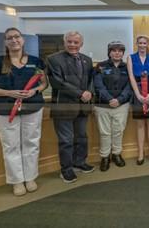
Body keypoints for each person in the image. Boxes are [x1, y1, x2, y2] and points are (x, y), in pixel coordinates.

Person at [0, 27, 48, 196]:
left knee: (31, 143)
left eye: (17, 37)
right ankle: (16, 181)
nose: (14, 40)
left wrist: (35, 91)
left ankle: (30, 177)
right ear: (5, 42)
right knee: (11, 145)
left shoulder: (36, 61)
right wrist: (8, 93)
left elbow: (43, 84)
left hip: (32, 107)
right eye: (9, 38)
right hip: (5, 109)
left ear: (23, 39)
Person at [47, 31, 95, 183]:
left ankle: (79, 162)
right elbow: (57, 82)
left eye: (76, 42)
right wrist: (81, 93)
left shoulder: (87, 60)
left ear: (81, 44)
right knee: (66, 140)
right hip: (64, 107)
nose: (73, 45)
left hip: (83, 106)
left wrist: (90, 92)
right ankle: (66, 170)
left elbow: (92, 80)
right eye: (70, 42)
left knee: (82, 137)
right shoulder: (54, 59)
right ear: (64, 42)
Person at [93, 41, 132, 171]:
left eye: (120, 51)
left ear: (123, 53)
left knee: (118, 131)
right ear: (109, 52)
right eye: (114, 50)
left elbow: (129, 86)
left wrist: (119, 100)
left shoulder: (127, 66)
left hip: (121, 106)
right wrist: (110, 99)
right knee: (105, 133)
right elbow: (98, 85)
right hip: (103, 105)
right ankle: (104, 157)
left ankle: (116, 154)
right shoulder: (101, 66)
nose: (117, 53)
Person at [127, 35, 149, 165]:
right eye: (140, 43)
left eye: (144, 43)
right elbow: (131, 77)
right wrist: (138, 94)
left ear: (148, 44)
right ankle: (140, 153)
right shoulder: (130, 57)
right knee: (140, 124)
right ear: (136, 44)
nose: (142, 45)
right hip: (137, 92)